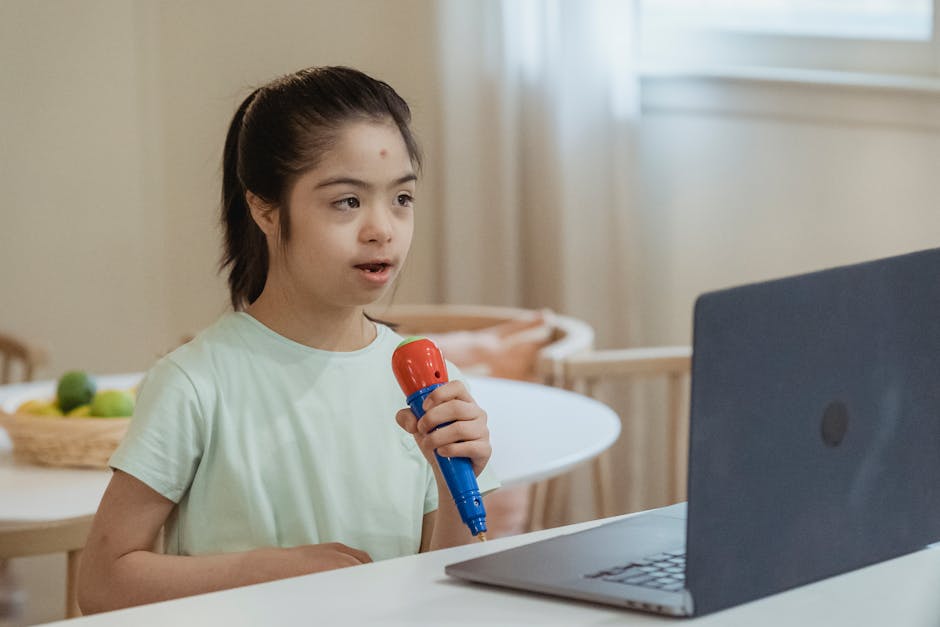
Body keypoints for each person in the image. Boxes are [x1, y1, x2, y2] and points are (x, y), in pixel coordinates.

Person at [77, 66, 498, 614]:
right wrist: (263, 571)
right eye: (347, 201)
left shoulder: (430, 380)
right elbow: (101, 584)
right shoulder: (195, 383)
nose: (382, 228)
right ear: (265, 209)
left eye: (401, 199)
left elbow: (447, 594)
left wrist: (452, 487)